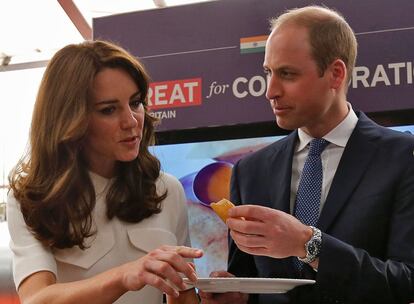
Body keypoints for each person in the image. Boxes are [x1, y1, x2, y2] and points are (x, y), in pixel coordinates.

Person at [199, 5, 414, 304]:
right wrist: (237, 296)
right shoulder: (251, 170)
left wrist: (308, 244)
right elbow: (249, 281)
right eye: (268, 73)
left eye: (287, 74)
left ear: (335, 74)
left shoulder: (403, 157)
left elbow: (407, 283)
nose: (270, 91)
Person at [7, 40, 203, 304]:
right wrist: (123, 277)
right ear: (70, 119)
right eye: (109, 110)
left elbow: (183, 295)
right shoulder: (30, 199)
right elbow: (37, 299)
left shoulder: (167, 190)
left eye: (135, 103)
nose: (131, 121)